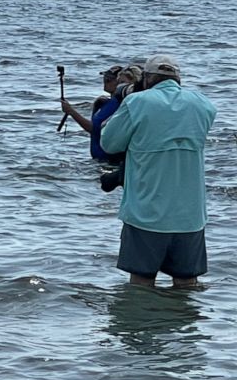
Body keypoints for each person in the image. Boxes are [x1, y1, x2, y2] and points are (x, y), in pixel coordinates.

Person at [100, 55, 216, 287]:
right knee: (186, 284)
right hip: (190, 216)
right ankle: (181, 322)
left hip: (146, 213)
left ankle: (147, 323)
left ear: (148, 79)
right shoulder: (203, 104)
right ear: (178, 78)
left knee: (141, 285)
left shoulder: (137, 103)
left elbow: (109, 143)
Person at [60, 64, 125, 161]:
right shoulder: (105, 103)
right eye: (105, 78)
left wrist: (71, 111)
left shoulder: (118, 105)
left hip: (109, 160)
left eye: (109, 79)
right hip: (99, 159)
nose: (105, 81)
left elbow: (94, 129)